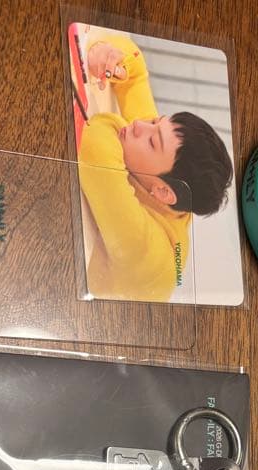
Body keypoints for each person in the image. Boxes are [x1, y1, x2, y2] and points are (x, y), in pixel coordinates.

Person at [76, 32, 234, 302]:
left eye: (152, 141)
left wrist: (115, 124)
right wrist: (110, 57)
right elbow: (135, 69)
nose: (139, 125)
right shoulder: (164, 171)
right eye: (156, 122)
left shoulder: (152, 258)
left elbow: (94, 150)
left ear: (162, 192)